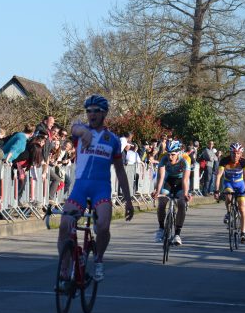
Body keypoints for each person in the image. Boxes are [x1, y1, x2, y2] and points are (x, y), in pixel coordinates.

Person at [56, 94, 134, 284]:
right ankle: (65, 265)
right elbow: (73, 127)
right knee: (65, 225)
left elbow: (120, 171)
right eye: (88, 111)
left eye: (96, 111)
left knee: (103, 225)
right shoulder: (81, 131)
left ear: (104, 113)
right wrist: (83, 132)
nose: (91, 114)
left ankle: (98, 259)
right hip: (81, 186)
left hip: (101, 188)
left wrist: (128, 200)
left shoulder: (113, 140)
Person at [151, 140, 191, 246]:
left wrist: (186, 193)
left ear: (178, 153)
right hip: (168, 180)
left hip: (181, 182)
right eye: (169, 154)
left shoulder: (185, 159)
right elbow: (161, 178)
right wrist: (157, 192)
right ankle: (161, 228)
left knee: (181, 203)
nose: (170, 157)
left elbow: (186, 180)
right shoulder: (164, 158)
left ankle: (177, 234)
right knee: (162, 201)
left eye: (173, 154)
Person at [214, 143, 245, 244]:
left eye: (238, 153)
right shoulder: (225, 160)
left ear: (241, 154)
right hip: (228, 183)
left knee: (242, 208)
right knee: (228, 196)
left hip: (240, 184)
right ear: (230, 153)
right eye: (233, 153)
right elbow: (219, 176)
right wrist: (216, 190)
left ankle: (243, 234)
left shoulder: (244, 162)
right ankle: (229, 213)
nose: (235, 156)